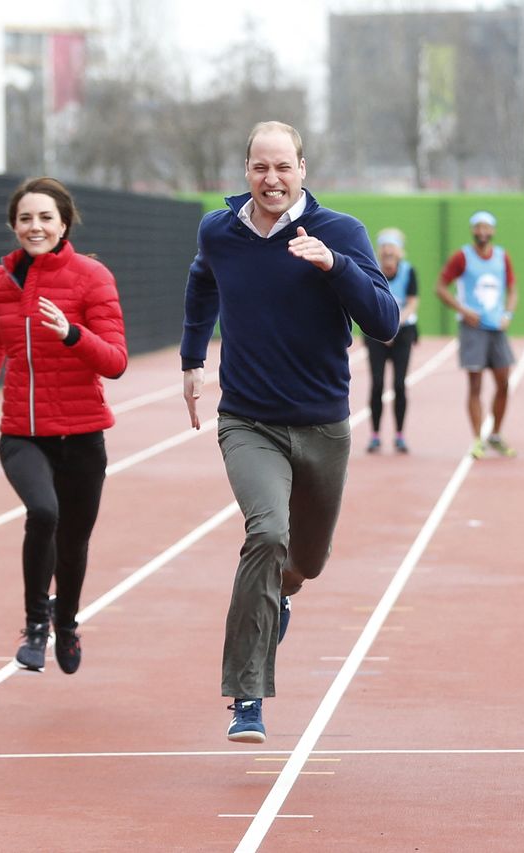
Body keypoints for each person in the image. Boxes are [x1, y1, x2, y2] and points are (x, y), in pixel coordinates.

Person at [181, 121, 399, 743]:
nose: (270, 179)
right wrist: (193, 359)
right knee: (267, 533)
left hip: (323, 425)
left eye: (282, 167)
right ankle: (247, 695)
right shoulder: (219, 232)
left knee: (304, 562)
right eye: (259, 168)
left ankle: (281, 598)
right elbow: (201, 283)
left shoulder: (341, 233)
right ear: (245, 169)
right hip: (248, 419)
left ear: (303, 168)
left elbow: (384, 322)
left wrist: (336, 267)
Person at [0, 177, 128, 675]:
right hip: (22, 433)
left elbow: (116, 361)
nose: (34, 227)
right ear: (14, 225)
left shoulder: (92, 277)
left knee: (74, 540)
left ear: (63, 223)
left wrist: (72, 334)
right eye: (25, 218)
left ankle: (68, 620)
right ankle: (37, 623)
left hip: (81, 435)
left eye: (45, 218)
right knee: (43, 512)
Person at [436, 210, 519, 459]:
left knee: (504, 383)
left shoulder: (502, 257)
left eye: (487, 227)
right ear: (473, 230)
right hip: (472, 329)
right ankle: (476, 439)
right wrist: (463, 310)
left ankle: (495, 434)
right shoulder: (462, 257)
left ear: (493, 230)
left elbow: (513, 289)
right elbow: (440, 287)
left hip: (497, 328)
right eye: (478, 227)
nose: (483, 232)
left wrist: (508, 314)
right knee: (475, 385)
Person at [364, 228, 419, 454]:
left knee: (399, 384)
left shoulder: (408, 271)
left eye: (392, 247)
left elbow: (413, 302)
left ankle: (399, 435)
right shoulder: (372, 270)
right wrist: (382, 328)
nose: (388, 251)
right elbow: (367, 300)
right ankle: (375, 435)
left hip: (402, 331)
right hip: (376, 333)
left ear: (399, 251)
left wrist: (394, 326)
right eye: (384, 246)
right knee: (377, 384)